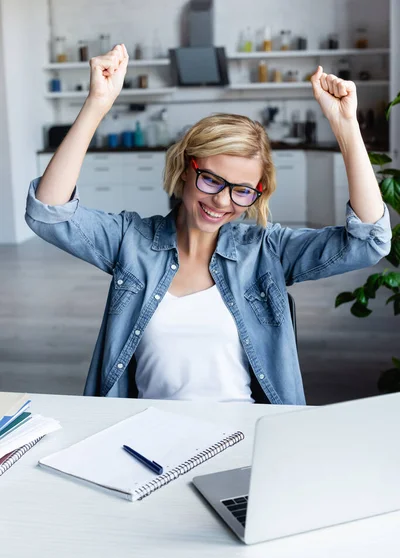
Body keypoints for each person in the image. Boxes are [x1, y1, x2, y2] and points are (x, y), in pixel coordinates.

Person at [25, 44, 391, 405]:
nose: (221, 201)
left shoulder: (266, 251)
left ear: (257, 193)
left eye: (242, 190)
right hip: (146, 431)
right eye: (212, 180)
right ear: (186, 168)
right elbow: (48, 212)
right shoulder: (130, 241)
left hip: (244, 433)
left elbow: (369, 241)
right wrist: (96, 105)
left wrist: (346, 128)